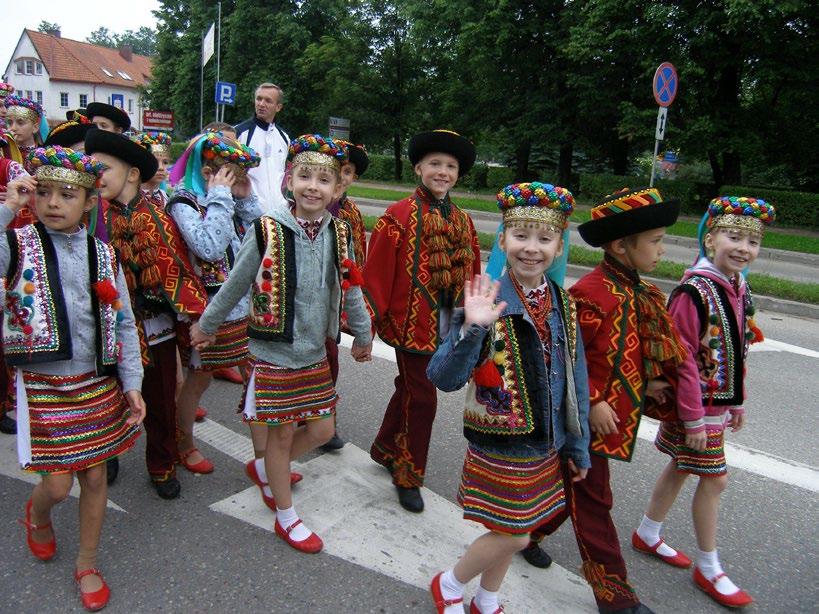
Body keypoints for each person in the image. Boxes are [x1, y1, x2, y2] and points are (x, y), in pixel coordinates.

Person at [190, 134, 373, 554]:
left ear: (337, 189)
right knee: (281, 437)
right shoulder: (267, 228)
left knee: (322, 428)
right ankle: (286, 516)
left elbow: (352, 289)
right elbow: (236, 284)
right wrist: (208, 324)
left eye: (323, 180)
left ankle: (265, 468)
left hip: (312, 353)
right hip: (273, 351)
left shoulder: (340, 233)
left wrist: (362, 335)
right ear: (289, 181)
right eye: (304, 176)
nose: (313, 186)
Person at [426, 183, 591, 614]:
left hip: (545, 445)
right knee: (516, 534)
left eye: (544, 238)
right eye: (520, 236)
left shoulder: (563, 303)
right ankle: (448, 583)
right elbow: (442, 377)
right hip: (502, 443)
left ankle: (487, 597)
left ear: (559, 245)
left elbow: (576, 379)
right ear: (502, 240)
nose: (531, 248)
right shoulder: (484, 298)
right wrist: (472, 328)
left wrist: (577, 444)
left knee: (518, 524)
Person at [523, 187, 688, 614]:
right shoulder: (593, 294)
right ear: (620, 245)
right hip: (582, 420)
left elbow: (624, 354)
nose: (661, 250)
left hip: (610, 418)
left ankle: (527, 534)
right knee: (595, 501)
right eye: (654, 241)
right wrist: (593, 400)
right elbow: (567, 358)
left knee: (572, 489)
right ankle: (615, 596)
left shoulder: (633, 288)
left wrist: (648, 383)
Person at [2, 147, 145, 612]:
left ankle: (87, 561)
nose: (52, 203)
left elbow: (122, 321)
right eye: (43, 193)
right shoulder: (17, 242)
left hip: (97, 381)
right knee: (59, 484)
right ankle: (38, 512)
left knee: (96, 477)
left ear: (89, 201)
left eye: (67, 194)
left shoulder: (103, 254)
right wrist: (7, 207)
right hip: (44, 383)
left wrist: (131, 381)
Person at [633, 196, 774, 609]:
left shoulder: (738, 286)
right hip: (695, 409)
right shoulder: (694, 291)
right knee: (715, 480)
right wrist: (694, 419)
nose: (743, 248)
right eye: (734, 236)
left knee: (681, 466)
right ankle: (709, 566)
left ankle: (647, 532)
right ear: (710, 239)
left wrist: (738, 401)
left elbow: (738, 349)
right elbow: (683, 362)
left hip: (715, 406)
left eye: (752, 240)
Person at [85, 128, 209, 500]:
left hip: (155, 328)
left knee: (160, 398)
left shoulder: (158, 217)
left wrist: (195, 315)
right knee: (106, 396)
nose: (97, 176)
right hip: (108, 327)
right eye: (93, 168)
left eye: (104, 167)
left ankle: (162, 462)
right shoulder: (90, 216)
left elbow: (179, 271)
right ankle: (105, 454)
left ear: (133, 174)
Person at [364, 129, 481, 513]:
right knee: (424, 398)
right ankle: (408, 473)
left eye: (450, 166)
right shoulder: (397, 216)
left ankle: (384, 447)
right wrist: (367, 320)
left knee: (411, 390)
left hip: (447, 323)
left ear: (458, 174)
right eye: (434, 164)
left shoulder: (464, 221)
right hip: (407, 325)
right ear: (418, 168)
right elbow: (377, 273)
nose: (442, 171)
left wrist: (471, 319)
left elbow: (471, 273)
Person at [166, 132, 262, 474]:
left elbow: (260, 238)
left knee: (256, 380)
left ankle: (266, 463)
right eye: (223, 174)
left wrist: (246, 198)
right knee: (199, 379)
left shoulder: (227, 198)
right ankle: (182, 442)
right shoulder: (184, 202)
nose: (229, 181)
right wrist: (220, 197)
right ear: (207, 172)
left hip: (243, 306)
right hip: (207, 311)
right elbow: (208, 246)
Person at [321, 139, 370, 452]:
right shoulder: (305, 203)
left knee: (330, 363)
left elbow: (357, 264)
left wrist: (354, 310)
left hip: (334, 303)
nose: (342, 176)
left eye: (348, 171)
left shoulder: (351, 214)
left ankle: (325, 421)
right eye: (336, 170)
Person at [234, 83, 290, 213]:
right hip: (249, 214)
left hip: (279, 214)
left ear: (278, 107)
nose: (261, 104)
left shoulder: (284, 138)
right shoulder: (239, 133)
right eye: (259, 99)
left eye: (268, 101)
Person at [133, 131, 173, 209]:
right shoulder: (131, 197)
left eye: (165, 162)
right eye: (155, 161)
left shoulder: (165, 197)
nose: (161, 168)